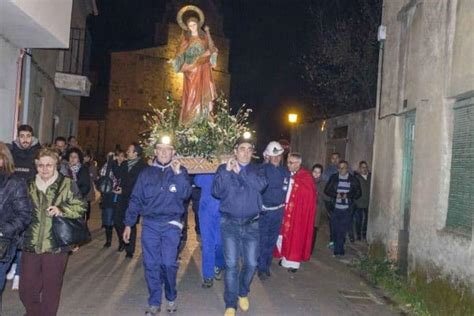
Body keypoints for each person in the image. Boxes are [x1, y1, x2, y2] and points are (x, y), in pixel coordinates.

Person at [123, 137, 191, 315]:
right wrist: (129, 224)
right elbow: (136, 198)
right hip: (151, 224)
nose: (163, 153)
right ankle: (154, 301)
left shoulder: (180, 171)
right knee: (151, 263)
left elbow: (185, 194)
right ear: (155, 152)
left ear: (173, 153)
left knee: (168, 263)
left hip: (171, 224)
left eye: (168, 150)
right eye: (160, 149)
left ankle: (170, 296)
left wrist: (178, 175)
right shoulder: (146, 174)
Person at [20, 148, 86, 316]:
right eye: (41, 165)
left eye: (49, 165)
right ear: (36, 165)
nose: (45, 169)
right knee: (27, 288)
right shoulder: (28, 185)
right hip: (31, 242)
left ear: (56, 165)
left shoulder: (67, 183)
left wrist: (61, 209)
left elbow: (81, 206)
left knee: (51, 287)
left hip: (56, 244)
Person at [212, 137, 267, 316]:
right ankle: (230, 303)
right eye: (242, 148)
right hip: (229, 224)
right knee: (231, 265)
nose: (245, 152)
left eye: (249, 149)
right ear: (235, 151)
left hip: (252, 224)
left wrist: (241, 173)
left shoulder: (257, 170)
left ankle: (243, 291)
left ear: (253, 152)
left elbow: (260, 185)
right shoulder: (223, 168)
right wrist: (228, 172)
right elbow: (216, 192)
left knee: (251, 263)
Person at [7, 125, 40, 290]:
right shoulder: (10, 151)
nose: (25, 139)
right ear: (18, 137)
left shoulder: (38, 152)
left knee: (24, 238)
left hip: (30, 201)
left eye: (28, 136)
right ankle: (12, 264)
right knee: (12, 235)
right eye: (22, 136)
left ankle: (19, 273)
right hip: (12, 201)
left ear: (32, 137)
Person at [0, 142, 31, 313]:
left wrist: (3, 229)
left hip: (2, 244)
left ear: (3, 159)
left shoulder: (15, 183)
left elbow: (24, 215)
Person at [171, 12, 217, 124]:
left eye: (194, 24)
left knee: (202, 92)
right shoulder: (186, 39)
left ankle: (202, 118)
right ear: (187, 27)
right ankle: (189, 118)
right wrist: (175, 61)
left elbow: (212, 49)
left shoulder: (204, 37)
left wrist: (208, 34)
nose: (192, 27)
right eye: (190, 25)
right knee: (190, 94)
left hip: (202, 68)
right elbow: (180, 54)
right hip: (190, 70)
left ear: (198, 24)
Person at [275, 153, 316, 272]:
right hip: (286, 209)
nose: (288, 165)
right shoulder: (289, 174)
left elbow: (308, 196)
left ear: (298, 163)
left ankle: (293, 263)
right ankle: (285, 258)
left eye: (291, 163)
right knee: (283, 235)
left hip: (298, 213)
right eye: (288, 162)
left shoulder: (305, 177)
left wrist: (296, 185)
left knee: (296, 236)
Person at [257, 141, 290, 280]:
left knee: (272, 240)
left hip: (278, 211)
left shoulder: (284, 171)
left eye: (278, 155)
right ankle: (262, 267)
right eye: (273, 156)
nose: (276, 158)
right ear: (268, 156)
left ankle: (266, 264)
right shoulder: (262, 170)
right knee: (263, 240)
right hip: (265, 211)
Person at [114, 143, 146, 258]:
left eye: (129, 150)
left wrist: (124, 190)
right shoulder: (124, 163)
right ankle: (123, 240)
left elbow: (140, 185)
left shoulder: (143, 167)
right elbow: (118, 176)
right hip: (122, 198)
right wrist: (114, 162)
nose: (127, 152)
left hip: (134, 199)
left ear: (135, 153)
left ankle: (129, 250)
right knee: (117, 221)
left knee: (130, 223)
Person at [324, 161, 361, 257]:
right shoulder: (334, 177)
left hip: (347, 209)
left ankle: (338, 251)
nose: (341, 169)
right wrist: (336, 195)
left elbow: (358, 193)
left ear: (347, 168)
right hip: (335, 208)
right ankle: (338, 247)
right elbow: (327, 190)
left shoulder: (353, 179)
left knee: (342, 230)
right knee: (335, 229)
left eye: (343, 167)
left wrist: (347, 195)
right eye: (339, 168)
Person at [194, 174, 224, 288]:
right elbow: (197, 181)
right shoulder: (205, 173)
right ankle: (208, 276)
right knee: (208, 244)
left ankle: (218, 264)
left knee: (220, 243)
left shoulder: (226, 169)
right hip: (206, 211)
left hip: (223, 209)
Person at [311, 164, 329, 253]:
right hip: (307, 209)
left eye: (318, 172)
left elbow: (326, 197)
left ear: (321, 174)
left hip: (317, 209)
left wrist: (318, 194)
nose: (316, 174)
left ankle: (310, 249)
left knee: (313, 229)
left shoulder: (323, 183)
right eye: (315, 172)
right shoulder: (308, 181)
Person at [354, 161, 371, 241]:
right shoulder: (356, 178)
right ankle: (358, 235)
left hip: (368, 202)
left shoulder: (370, 177)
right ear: (359, 168)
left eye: (366, 167)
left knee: (367, 220)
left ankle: (364, 234)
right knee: (359, 220)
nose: (364, 169)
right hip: (358, 202)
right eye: (362, 167)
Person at [83, 150, 98, 221]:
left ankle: (87, 218)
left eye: (86, 157)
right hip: (81, 187)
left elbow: (94, 177)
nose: (85, 158)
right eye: (84, 156)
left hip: (89, 187)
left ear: (89, 158)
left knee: (88, 204)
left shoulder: (92, 167)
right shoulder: (80, 165)